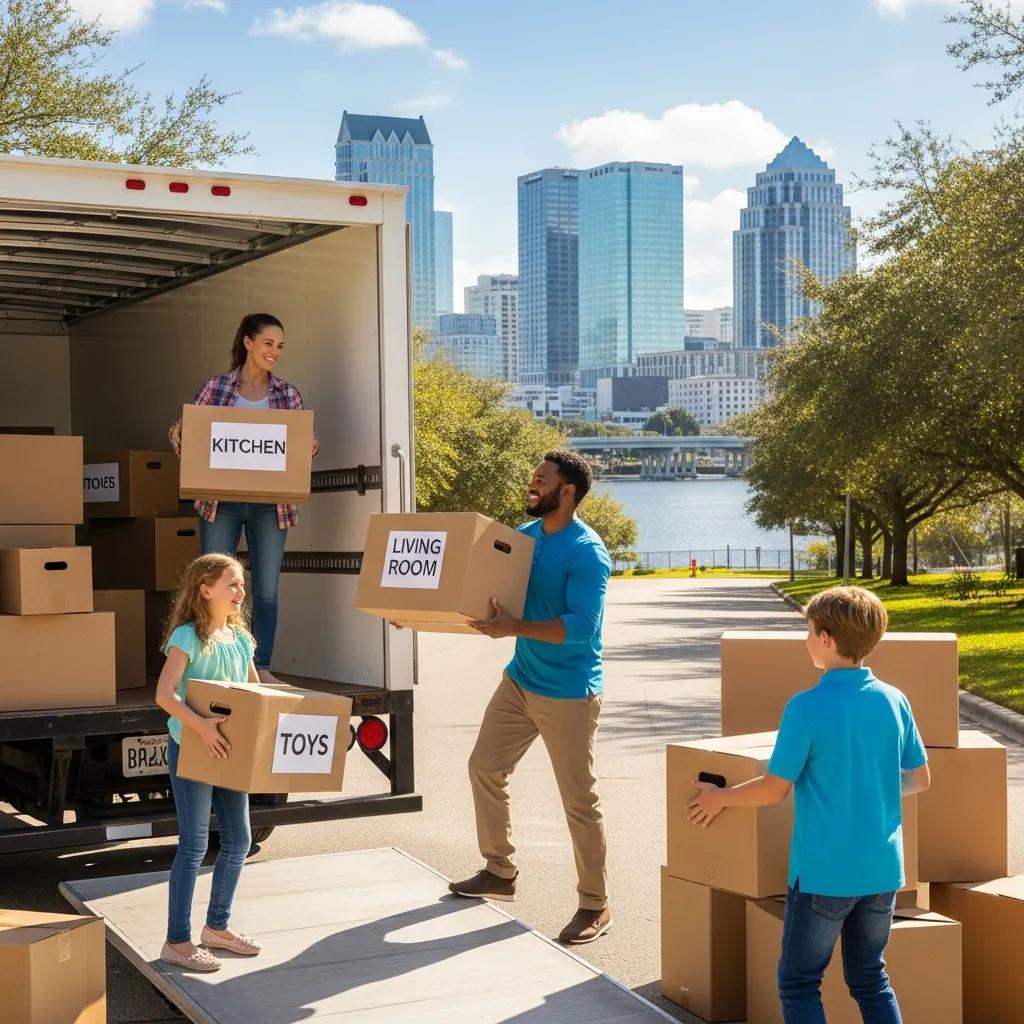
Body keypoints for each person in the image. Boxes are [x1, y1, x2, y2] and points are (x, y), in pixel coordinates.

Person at [688, 586, 931, 1024]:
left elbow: (773, 789)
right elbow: (919, 779)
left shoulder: (806, 707)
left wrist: (720, 797)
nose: (804, 639)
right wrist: (866, 788)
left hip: (823, 875)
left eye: (807, 630)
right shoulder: (895, 700)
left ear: (826, 638)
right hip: (882, 872)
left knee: (799, 982)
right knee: (871, 979)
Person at [446, 450, 614, 945]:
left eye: (541, 481)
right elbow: (484, 591)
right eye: (532, 478)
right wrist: (414, 610)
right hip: (520, 680)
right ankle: (499, 871)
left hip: (569, 693)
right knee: (484, 766)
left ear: (568, 492)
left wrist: (515, 627)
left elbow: (584, 629)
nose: (531, 485)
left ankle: (595, 905)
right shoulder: (524, 537)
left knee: (579, 801)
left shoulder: (587, 552)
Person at [169, 312, 317, 685]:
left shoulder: (288, 394)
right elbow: (185, 433)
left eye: (280, 346)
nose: (275, 352)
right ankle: (204, 661)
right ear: (248, 342)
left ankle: (260, 667)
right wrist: (181, 433)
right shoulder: (216, 388)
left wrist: (308, 446)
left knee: (266, 589)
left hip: (271, 506)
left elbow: (298, 448)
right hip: (221, 503)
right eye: (268, 343)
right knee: (211, 585)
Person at [155, 553, 263, 972]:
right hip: (193, 749)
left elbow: (254, 694)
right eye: (232, 584)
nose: (241, 592)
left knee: (239, 841)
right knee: (195, 845)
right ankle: (177, 942)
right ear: (205, 590)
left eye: (241, 584)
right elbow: (165, 695)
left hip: (230, 754)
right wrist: (201, 726)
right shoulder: (187, 636)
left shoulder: (241, 639)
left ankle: (217, 928)